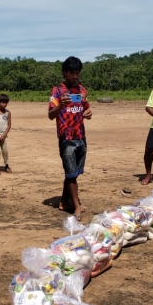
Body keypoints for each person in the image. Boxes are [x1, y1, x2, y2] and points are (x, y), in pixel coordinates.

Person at [48, 56, 92, 221]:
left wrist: (89, 113)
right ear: (64, 72)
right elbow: (51, 115)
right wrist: (61, 105)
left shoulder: (82, 90)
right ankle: (76, 205)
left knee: (74, 173)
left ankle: (63, 202)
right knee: (71, 174)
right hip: (66, 138)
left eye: (77, 72)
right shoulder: (57, 91)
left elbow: (86, 108)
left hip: (81, 136)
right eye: (71, 73)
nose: (74, 76)